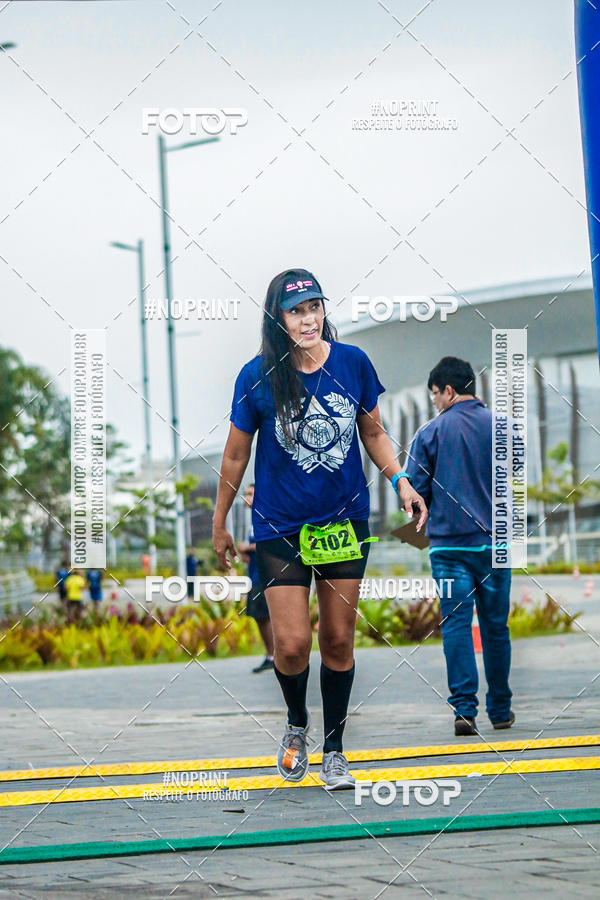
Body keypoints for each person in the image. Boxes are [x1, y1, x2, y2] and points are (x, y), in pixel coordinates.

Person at [213, 268, 427, 789]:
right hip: (280, 526)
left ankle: (334, 748)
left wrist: (400, 478)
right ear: (278, 319)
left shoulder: (352, 363)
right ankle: (296, 724)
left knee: (337, 638)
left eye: (314, 307)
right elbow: (237, 453)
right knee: (289, 644)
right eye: (296, 311)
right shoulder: (258, 375)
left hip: (343, 523)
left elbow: (372, 433)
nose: (308, 319)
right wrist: (220, 519)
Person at [405, 356, 514, 737]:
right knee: (496, 628)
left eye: (435, 395)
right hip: (495, 546)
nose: (435, 402)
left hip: (450, 549)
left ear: (448, 391)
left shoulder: (429, 434)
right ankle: (501, 709)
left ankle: (464, 711)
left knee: (456, 626)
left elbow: (412, 493)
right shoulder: (503, 427)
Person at [237, 483, 275, 673]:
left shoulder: (265, 515)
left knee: (264, 616)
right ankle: (271, 655)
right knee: (259, 617)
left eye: (251, 494)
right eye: (245, 494)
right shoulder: (253, 520)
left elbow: (271, 543)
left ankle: (274, 656)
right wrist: (244, 552)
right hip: (254, 573)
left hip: (265, 574)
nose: (247, 497)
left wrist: (247, 548)